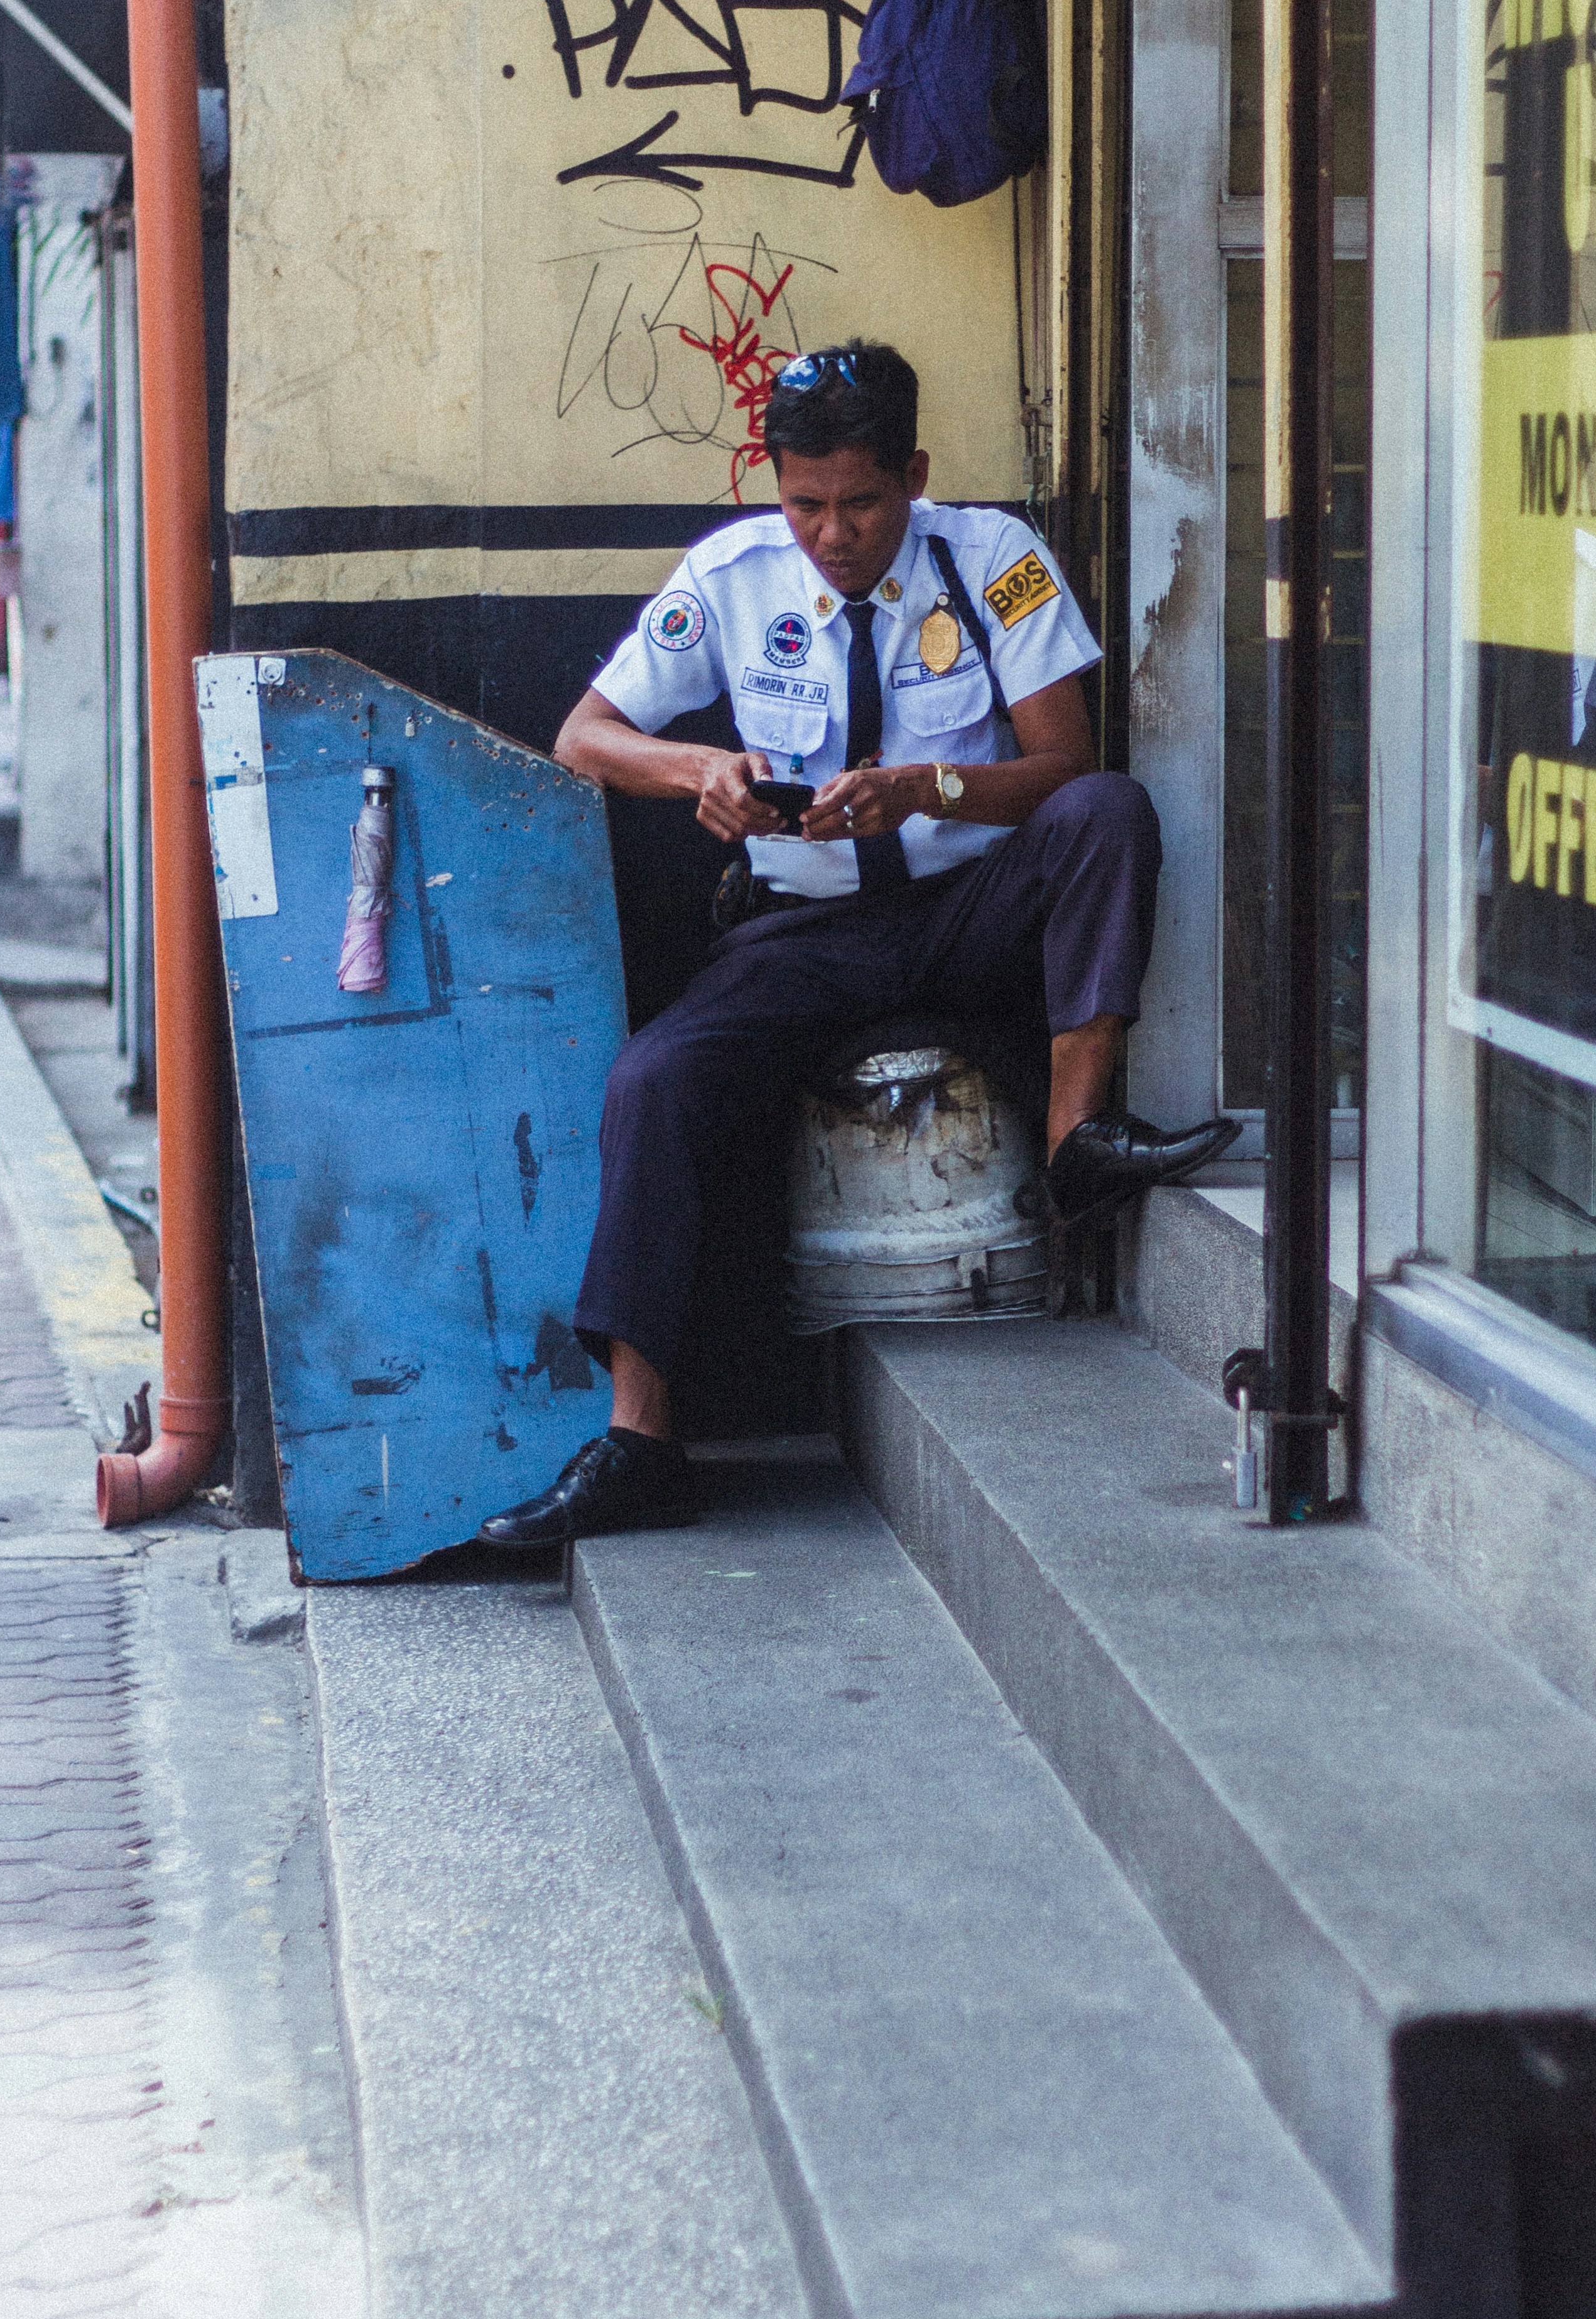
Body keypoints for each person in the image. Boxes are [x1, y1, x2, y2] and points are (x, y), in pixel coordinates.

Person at [479, 338, 1236, 1545]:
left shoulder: (995, 563)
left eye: (864, 503)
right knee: (654, 1081)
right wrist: (698, 773)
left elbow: (1064, 767)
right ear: (773, 486)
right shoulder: (730, 579)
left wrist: (927, 787)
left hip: (971, 909)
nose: (834, 535)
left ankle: (1077, 1136)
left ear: (916, 474)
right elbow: (585, 736)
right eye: (806, 505)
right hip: (805, 932)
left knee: (1110, 814)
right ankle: (640, 1438)